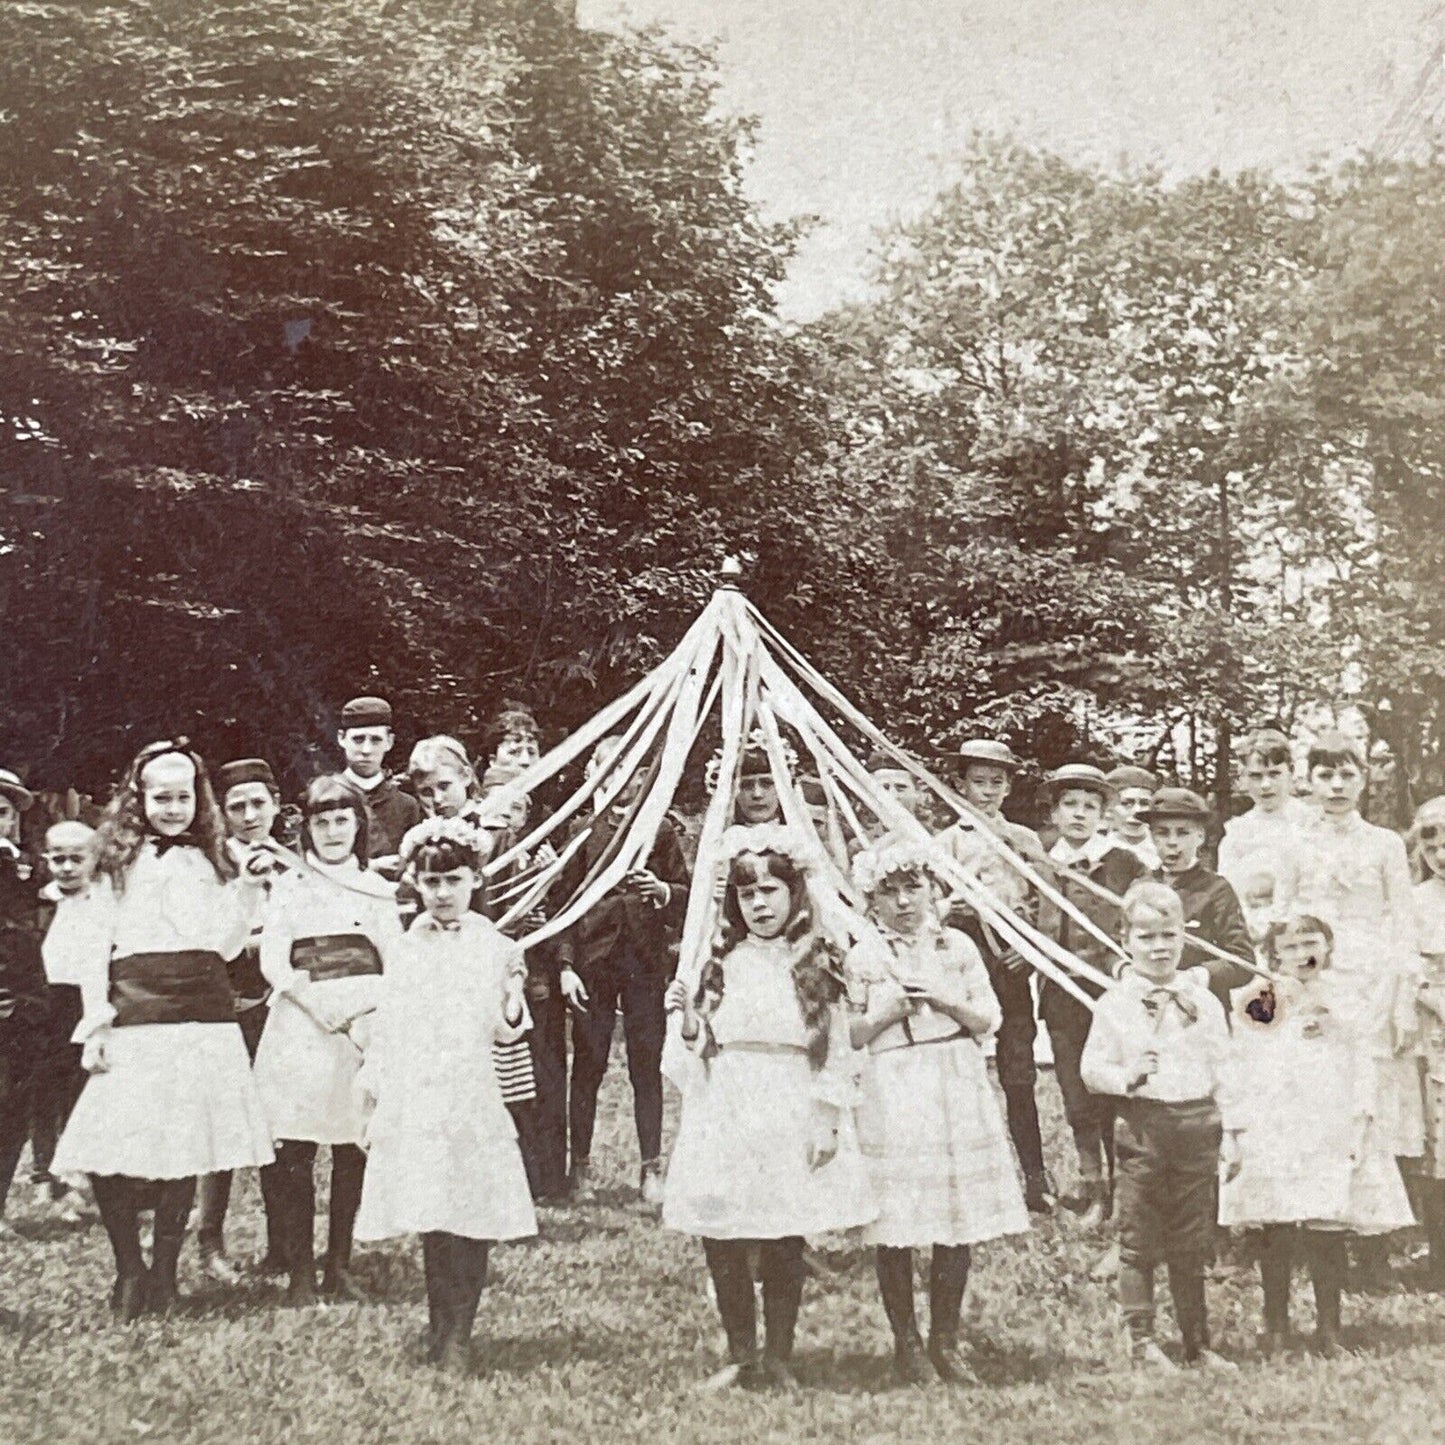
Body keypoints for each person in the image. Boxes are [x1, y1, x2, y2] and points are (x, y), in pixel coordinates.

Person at [51, 741, 275, 1319]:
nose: (172, 809)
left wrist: (247, 887)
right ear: (139, 798)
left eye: (182, 797)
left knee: (186, 1145)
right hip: (136, 1010)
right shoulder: (115, 860)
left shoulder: (216, 856)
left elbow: (225, 946)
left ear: (197, 800)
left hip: (201, 1010)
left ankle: (165, 1276)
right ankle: (130, 1268)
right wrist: (96, 1018)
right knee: (107, 1146)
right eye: (160, 798)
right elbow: (91, 944)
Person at [662, 824, 875, 1390]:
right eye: (747, 894)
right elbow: (702, 1046)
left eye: (770, 892)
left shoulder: (816, 961)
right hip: (730, 1099)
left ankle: (779, 1353)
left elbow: (835, 1047)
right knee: (725, 1228)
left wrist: (828, 1114)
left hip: (790, 1098)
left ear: (794, 894)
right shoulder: (720, 960)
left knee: (784, 1230)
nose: (759, 904)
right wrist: (688, 1024)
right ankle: (741, 1353)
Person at [354, 816, 536, 1376]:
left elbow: (507, 1029)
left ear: (475, 880)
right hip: (419, 1092)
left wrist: (512, 992)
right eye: (431, 883)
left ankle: (461, 1331)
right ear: (415, 882)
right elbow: (391, 1024)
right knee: (433, 1210)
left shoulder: (493, 944)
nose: (443, 893)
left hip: (469, 1091)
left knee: (469, 1211)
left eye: (454, 880)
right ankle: (438, 1324)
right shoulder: (404, 947)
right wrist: (375, 1097)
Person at [848, 839, 1029, 1384]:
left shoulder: (957, 947)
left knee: (955, 1215)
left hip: (952, 1078)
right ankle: (906, 1341)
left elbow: (989, 1019)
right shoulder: (862, 954)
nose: (903, 902)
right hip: (893, 1083)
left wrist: (946, 1000)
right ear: (871, 899)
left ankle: (945, 1339)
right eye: (890, 891)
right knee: (896, 1218)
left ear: (933, 890)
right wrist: (886, 1011)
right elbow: (848, 1034)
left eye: (913, 888)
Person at [1221, 913, 1413, 1357]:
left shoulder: (1345, 1000)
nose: (1302, 954)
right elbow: (1244, 1063)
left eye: (1312, 943)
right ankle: (1276, 1327)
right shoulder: (1261, 999)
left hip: (1331, 1124)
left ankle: (1329, 1326)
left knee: (1327, 1227)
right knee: (1278, 1228)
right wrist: (1242, 1122)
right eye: (1289, 947)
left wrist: (1363, 1114)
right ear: (1272, 955)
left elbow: (1363, 1058)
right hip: (1280, 1126)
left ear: (1328, 949)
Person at [1274, 731, 1422, 1288]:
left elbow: (1402, 920)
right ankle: (1310, 1235)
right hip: (1313, 981)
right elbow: (1283, 917)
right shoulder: (1294, 841)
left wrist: (1401, 998)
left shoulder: (1384, 844)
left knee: (1368, 1111)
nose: (1336, 786)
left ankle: (1374, 1248)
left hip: (1371, 986)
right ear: (1307, 781)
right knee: (1314, 1102)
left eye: (1347, 775)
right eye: (1324, 775)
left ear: (1365, 779)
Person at [253, 776, 400, 1304]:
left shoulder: (379, 889)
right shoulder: (290, 886)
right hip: (302, 1021)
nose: (333, 831)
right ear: (305, 830)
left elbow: (396, 958)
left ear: (359, 825)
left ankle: (339, 1263)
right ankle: (298, 1272)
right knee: (294, 1147)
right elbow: (274, 959)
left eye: (342, 820)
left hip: (360, 1026)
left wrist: (369, 1015)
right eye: (321, 822)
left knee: (351, 1146)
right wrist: (314, 1003)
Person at [1080, 881, 1234, 1371]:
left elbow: (1226, 1068)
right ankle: (1142, 1341)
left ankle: (1197, 1343)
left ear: (1184, 938)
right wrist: (1126, 1077)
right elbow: (1090, 1068)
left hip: (1198, 1125)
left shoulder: (1203, 1001)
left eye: (1168, 935)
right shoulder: (1115, 1003)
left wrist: (1233, 1134)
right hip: (1144, 1127)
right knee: (1139, 1238)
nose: (1159, 947)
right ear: (1125, 940)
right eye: (1146, 937)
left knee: (1192, 1240)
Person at [557, 736, 689, 1205]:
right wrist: (567, 966)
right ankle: (581, 1169)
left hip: (644, 963)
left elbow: (685, 893)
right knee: (588, 1064)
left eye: (634, 773)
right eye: (613, 770)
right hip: (594, 962)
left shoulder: (660, 830)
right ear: (597, 773)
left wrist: (663, 889)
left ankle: (651, 1168)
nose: (624, 781)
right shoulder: (581, 831)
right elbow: (564, 906)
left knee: (645, 1065)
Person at [936, 739, 1052, 1212]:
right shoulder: (944, 843)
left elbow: (1047, 902)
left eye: (996, 783)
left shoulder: (1024, 839)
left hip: (1010, 959)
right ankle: (967, 1178)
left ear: (1008, 787)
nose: (987, 792)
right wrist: (948, 910)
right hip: (963, 959)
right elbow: (927, 909)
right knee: (959, 1065)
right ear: (960, 785)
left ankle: (1035, 1176)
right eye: (978, 782)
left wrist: (1029, 949)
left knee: (1018, 1068)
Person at [195, 757, 292, 1282]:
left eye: (259, 803)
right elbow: (214, 938)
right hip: (227, 1004)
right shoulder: (213, 865)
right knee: (222, 1122)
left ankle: (283, 1245)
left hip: (282, 1005)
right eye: (238, 806)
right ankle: (209, 1241)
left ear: (277, 805)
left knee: (279, 1123)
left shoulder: (293, 862)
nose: (250, 815)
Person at [1040, 763, 1146, 1229]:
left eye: (1090, 806)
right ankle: (1092, 1188)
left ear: (1105, 813)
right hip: (1060, 995)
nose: (1079, 815)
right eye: (1070, 805)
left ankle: (1125, 1195)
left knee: (1115, 1091)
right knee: (1077, 1094)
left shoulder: (1124, 862)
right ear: (1056, 812)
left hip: (1112, 992)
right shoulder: (1042, 861)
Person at [478, 763, 567, 1203]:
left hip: (537, 980)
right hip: (492, 978)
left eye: (518, 806)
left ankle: (547, 1176)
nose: (509, 816)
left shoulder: (540, 854)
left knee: (542, 1076)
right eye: (500, 804)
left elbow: (561, 911)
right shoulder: (479, 855)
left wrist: (546, 892)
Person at [31, 820, 100, 1225]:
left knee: (82, 1088)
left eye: (78, 858)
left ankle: (80, 1180)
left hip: (86, 1001)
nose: (68, 867)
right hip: (46, 1002)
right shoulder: (40, 901)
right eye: (59, 859)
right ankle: (45, 1177)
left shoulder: (103, 901)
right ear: (46, 860)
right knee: (44, 1092)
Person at [1141, 788, 1255, 1008]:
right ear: (1152, 838)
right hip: (1147, 1004)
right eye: (1163, 833)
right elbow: (1118, 944)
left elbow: (1243, 963)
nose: (1172, 842)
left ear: (1200, 837)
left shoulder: (1216, 889)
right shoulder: (1141, 887)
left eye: (1183, 833)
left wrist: (1196, 977)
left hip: (1202, 1006)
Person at [1410, 796, 1445, 1280]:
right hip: (1435, 1020)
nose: (1441, 853)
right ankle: (1439, 1255)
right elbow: (1408, 965)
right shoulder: (1415, 902)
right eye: (1431, 844)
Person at [1216, 729, 1306, 919]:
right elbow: (1229, 899)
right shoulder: (1237, 834)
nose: (1265, 785)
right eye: (1256, 776)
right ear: (1243, 778)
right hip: (1255, 929)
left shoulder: (1311, 823)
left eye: (1274, 774)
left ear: (1291, 772)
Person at [336, 696, 421, 864]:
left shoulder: (406, 806)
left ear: (389, 742)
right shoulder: (325, 797)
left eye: (376, 740)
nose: (366, 750)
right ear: (341, 738)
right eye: (358, 739)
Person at [1104, 766, 1160, 871]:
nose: (1137, 811)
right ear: (1109, 808)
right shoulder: (1098, 850)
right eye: (1126, 803)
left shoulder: (1164, 850)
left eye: (1144, 803)